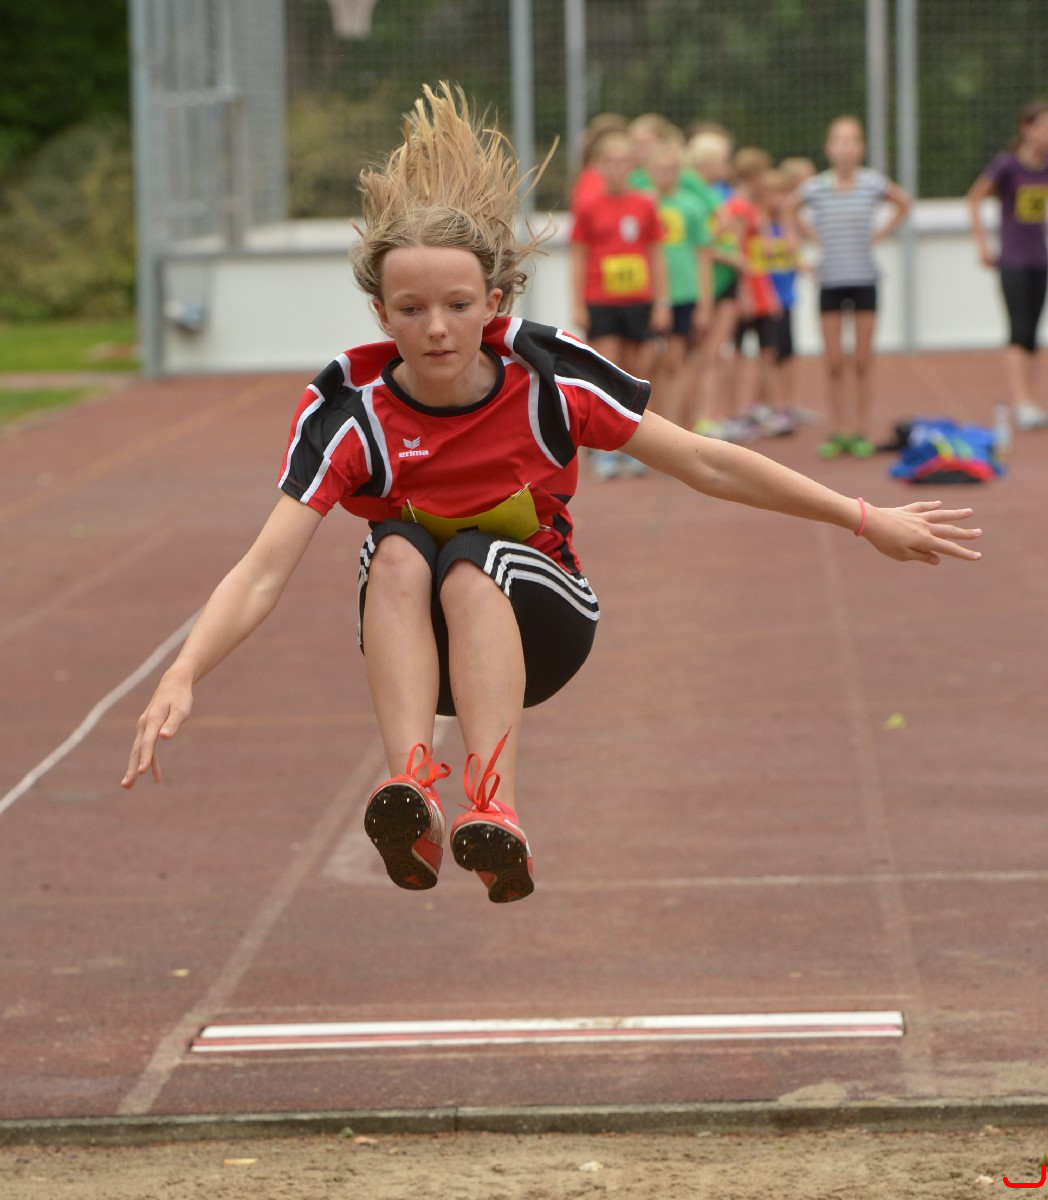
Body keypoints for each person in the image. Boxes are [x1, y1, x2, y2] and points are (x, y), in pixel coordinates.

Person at [122, 84, 983, 909]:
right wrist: (184, 671)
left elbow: (705, 462)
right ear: (381, 314)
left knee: (472, 560)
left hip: (543, 623)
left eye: (458, 305)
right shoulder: (355, 417)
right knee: (396, 548)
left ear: (493, 303)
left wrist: (863, 517)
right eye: (411, 309)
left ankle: (494, 806)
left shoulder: (547, 379)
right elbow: (263, 569)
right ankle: (412, 790)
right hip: (421, 646)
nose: (436, 327)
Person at [789, 116, 910, 459]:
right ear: (829, 148)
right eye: (839, 141)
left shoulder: (872, 183)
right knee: (833, 363)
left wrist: (881, 233)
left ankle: (859, 430)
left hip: (864, 279)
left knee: (861, 360)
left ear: (861, 147)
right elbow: (787, 209)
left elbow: (903, 203)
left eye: (852, 141)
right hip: (830, 280)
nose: (845, 148)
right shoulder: (816, 187)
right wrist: (805, 241)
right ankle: (839, 430)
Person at [570, 127, 671, 477]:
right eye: (609, 162)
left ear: (632, 165)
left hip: (638, 299)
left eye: (622, 161)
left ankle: (635, 446)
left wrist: (662, 302)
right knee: (606, 371)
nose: (616, 168)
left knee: (636, 372)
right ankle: (605, 450)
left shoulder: (644, 203)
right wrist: (578, 302)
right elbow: (579, 255)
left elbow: (656, 253)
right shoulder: (587, 204)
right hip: (601, 298)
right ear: (599, 166)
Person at [967, 98, 1048, 432]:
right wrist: (983, 245)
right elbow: (974, 198)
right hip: (1012, 260)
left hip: (1040, 258)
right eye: (1043, 126)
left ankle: (1028, 400)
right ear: (1026, 129)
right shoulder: (1008, 165)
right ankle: (1019, 401)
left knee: (1032, 334)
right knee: (1017, 329)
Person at [644, 138, 715, 428]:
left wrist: (705, 304)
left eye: (671, 168)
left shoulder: (692, 205)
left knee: (677, 361)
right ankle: (652, 425)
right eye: (660, 168)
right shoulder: (642, 203)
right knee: (648, 363)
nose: (666, 174)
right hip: (648, 293)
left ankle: (678, 423)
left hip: (684, 292)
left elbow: (704, 256)